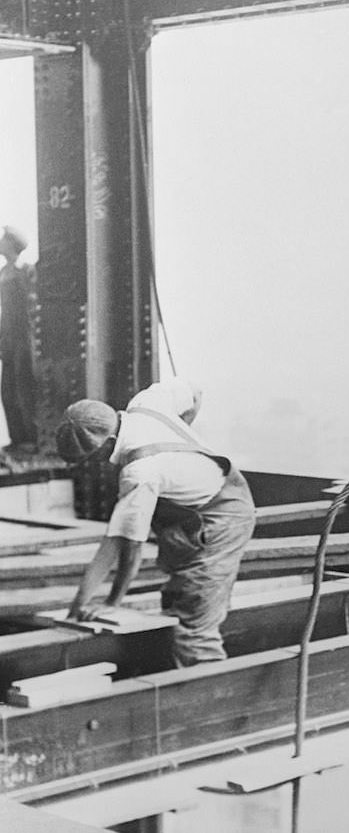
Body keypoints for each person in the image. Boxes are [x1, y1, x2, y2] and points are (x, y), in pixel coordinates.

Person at [55, 377, 256, 667]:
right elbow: (194, 391)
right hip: (212, 501)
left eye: (92, 458)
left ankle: (213, 693)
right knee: (180, 599)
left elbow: (130, 552)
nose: (94, 465)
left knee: (192, 629)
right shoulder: (145, 403)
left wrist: (112, 604)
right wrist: (78, 607)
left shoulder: (139, 473)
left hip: (221, 520)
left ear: (109, 443)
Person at [0, 226, 38, 454]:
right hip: (8, 337)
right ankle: (17, 438)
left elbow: (32, 306)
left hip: (24, 335)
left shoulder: (26, 271)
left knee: (25, 387)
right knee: (8, 389)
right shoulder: (4, 272)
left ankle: (30, 439)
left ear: (12, 245)